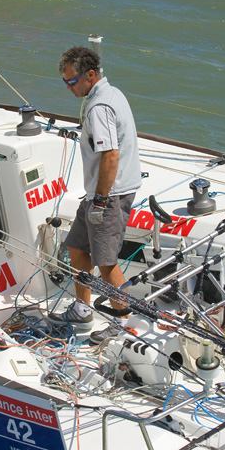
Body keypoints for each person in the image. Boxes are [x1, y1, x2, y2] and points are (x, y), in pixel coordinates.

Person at [49, 46, 141, 346]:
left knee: (106, 262)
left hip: (108, 195)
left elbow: (111, 155)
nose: (68, 88)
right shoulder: (112, 93)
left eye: (72, 81)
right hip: (97, 194)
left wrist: (100, 201)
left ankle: (122, 322)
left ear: (90, 75)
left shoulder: (99, 107)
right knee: (76, 246)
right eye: (65, 82)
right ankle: (82, 307)